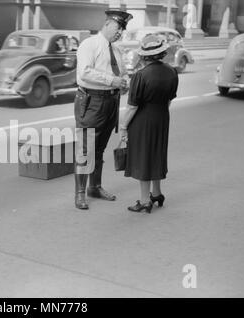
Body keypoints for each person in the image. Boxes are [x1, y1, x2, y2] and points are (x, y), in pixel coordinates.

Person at [73, 9, 133, 210]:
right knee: (85, 149)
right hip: (91, 101)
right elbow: (85, 72)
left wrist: (123, 84)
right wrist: (112, 80)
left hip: (110, 102)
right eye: (118, 27)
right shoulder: (89, 44)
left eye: (122, 29)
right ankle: (80, 192)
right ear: (107, 24)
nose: (120, 33)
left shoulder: (116, 50)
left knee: (99, 148)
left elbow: (122, 73)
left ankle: (95, 187)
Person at [120, 34, 179, 213]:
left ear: (144, 55)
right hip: (162, 117)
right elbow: (169, 100)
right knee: (156, 153)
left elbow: (132, 106)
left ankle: (145, 201)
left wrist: (123, 127)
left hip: (142, 120)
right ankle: (157, 193)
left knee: (143, 157)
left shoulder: (141, 75)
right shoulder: (172, 72)